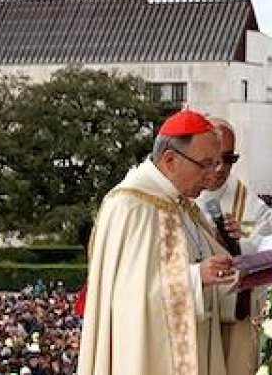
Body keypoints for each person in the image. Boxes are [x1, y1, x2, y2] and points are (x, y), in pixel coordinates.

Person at [78, 109, 240, 375]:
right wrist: (195, 278)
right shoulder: (131, 207)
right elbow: (128, 299)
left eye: (217, 164)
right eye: (205, 164)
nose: (213, 175)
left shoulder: (182, 205)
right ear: (170, 160)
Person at [196, 119, 272, 375]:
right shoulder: (182, 195)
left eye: (229, 159)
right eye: (213, 160)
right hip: (196, 315)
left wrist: (240, 242)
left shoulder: (253, 206)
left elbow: (269, 260)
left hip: (234, 323)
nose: (220, 168)